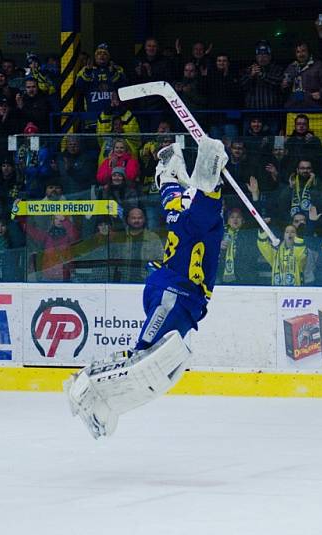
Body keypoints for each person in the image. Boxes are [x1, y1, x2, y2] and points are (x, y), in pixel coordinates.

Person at [64, 137, 228, 438]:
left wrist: (171, 160)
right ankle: (93, 390)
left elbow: (166, 181)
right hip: (176, 294)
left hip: (169, 289)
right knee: (144, 355)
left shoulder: (175, 205)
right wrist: (211, 156)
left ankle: (104, 396)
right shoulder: (203, 217)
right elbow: (206, 182)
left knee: (152, 352)